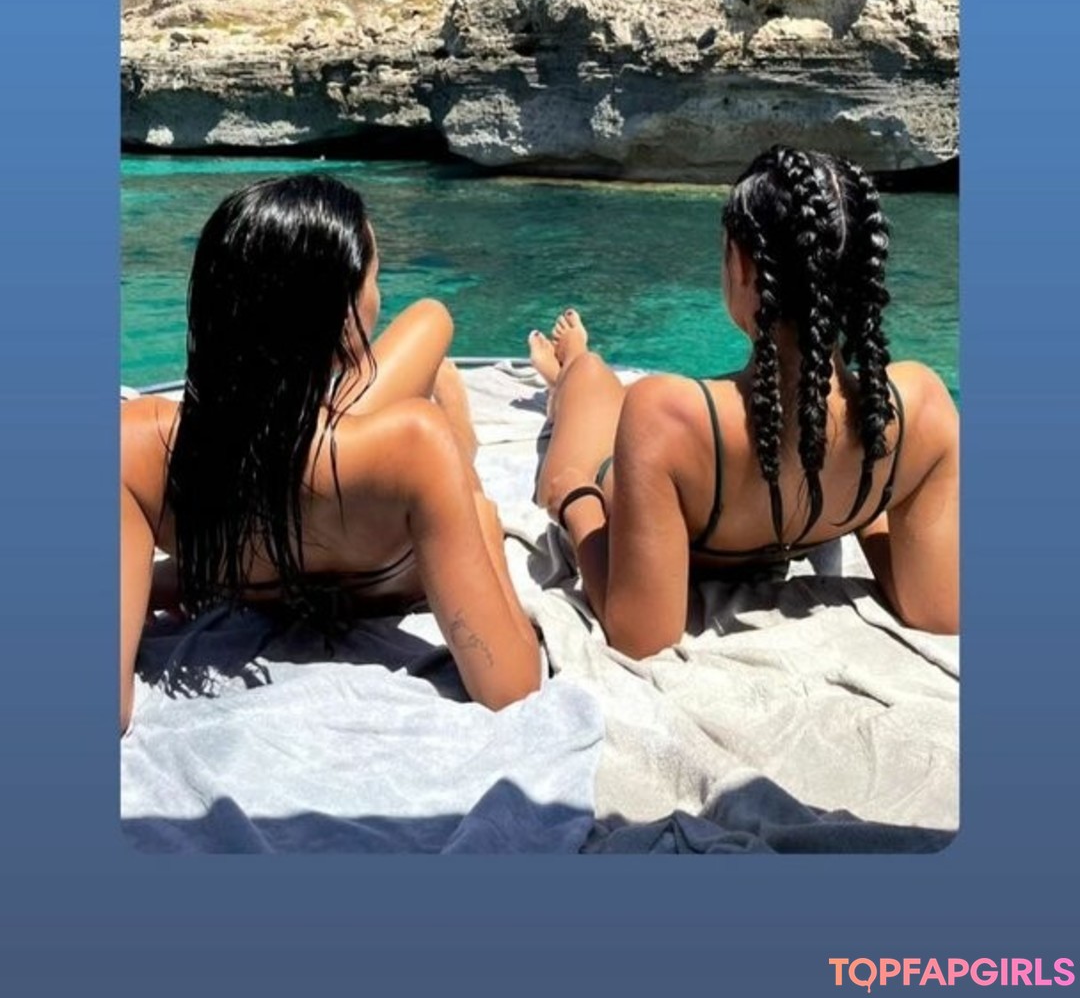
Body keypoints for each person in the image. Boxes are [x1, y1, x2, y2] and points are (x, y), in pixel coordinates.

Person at [121, 174, 541, 732]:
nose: (377, 293)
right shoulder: (415, 446)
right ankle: (452, 411)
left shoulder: (135, 447)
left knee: (424, 334)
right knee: (431, 320)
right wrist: (484, 529)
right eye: (374, 276)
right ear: (345, 319)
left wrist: (172, 581)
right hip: (373, 524)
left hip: (246, 551)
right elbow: (511, 688)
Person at [529, 145, 958, 656]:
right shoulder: (921, 411)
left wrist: (575, 502)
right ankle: (564, 373)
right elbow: (937, 608)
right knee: (600, 389)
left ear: (744, 264)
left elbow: (641, 636)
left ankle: (568, 370)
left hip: (629, 485)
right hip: (787, 497)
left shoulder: (666, 414)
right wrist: (870, 495)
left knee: (592, 380)